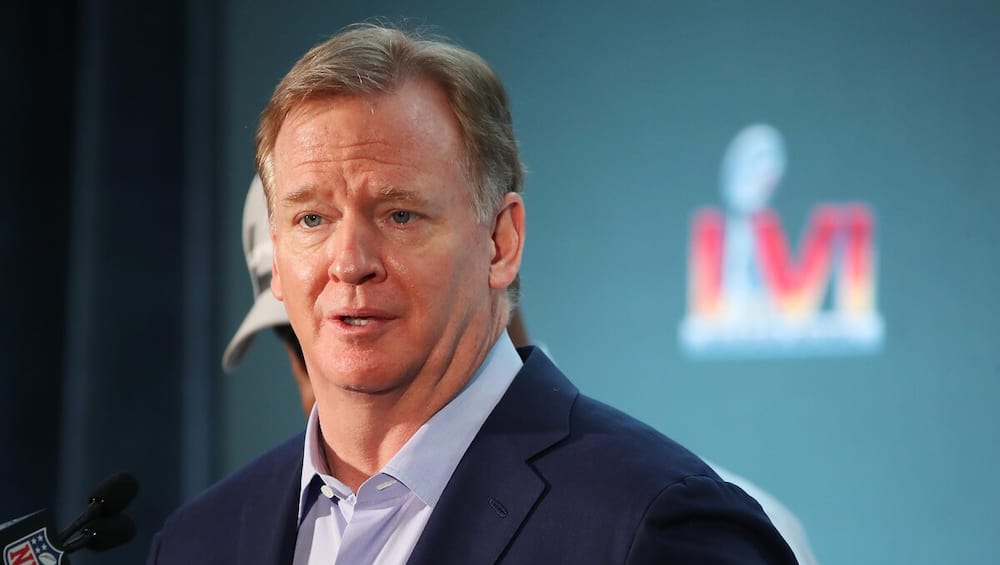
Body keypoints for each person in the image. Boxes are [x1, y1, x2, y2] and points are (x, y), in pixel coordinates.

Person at [148, 23, 797, 564]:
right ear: (278, 258)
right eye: (312, 218)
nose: (349, 262)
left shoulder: (654, 524)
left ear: (500, 242)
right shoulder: (196, 542)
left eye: (400, 214)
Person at [226, 175, 819, 563]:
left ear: (497, 248)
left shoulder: (682, 521)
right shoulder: (211, 532)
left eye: (400, 218)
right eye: (304, 335)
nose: (334, 370)